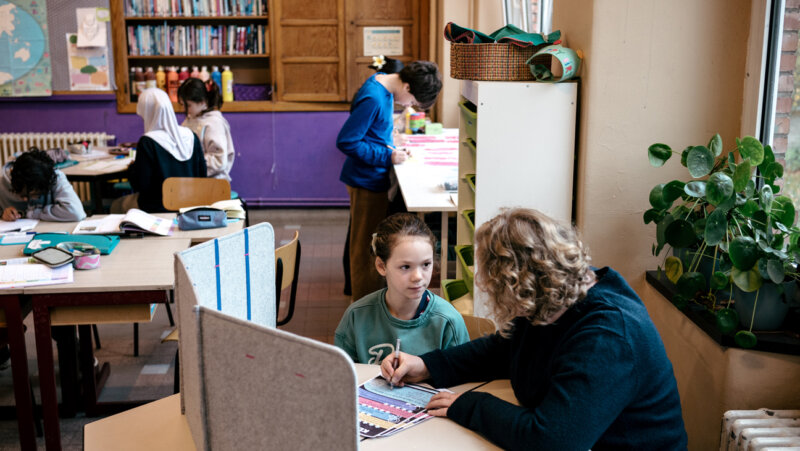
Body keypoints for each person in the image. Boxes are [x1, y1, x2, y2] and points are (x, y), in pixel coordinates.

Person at [381, 208, 688, 450]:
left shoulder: (608, 336)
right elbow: (504, 347)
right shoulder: (559, 290)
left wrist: (470, 406)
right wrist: (428, 365)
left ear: (523, 286)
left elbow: (552, 441)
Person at [337, 61, 442, 301]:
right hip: (365, 181)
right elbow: (347, 141)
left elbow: (372, 133)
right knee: (365, 249)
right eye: (412, 100)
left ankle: (367, 301)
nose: (409, 106)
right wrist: (388, 154)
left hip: (372, 177)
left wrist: (392, 143)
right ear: (406, 86)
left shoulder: (382, 81)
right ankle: (362, 307)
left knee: (367, 243)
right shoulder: (374, 98)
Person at [335, 213, 468, 364]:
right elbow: (342, 377)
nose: (418, 276)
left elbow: (462, 379)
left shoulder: (448, 321)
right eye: (405, 267)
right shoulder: (356, 317)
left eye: (426, 264)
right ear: (381, 266)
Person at [113, 88, 207, 213]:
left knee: (116, 205)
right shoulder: (191, 136)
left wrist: (132, 170)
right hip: (191, 206)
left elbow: (141, 186)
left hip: (157, 208)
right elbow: (202, 175)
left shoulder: (148, 142)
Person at [0, 147, 85, 222]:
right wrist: (2, 215)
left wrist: (32, 213)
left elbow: (75, 212)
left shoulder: (55, 177)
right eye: (21, 193)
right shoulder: (2, 181)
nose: (25, 199)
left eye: (33, 195)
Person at [178, 77, 235, 181]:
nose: (184, 110)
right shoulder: (190, 120)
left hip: (213, 183)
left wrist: (189, 162)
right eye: (183, 105)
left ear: (202, 102)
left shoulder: (213, 123)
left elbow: (219, 160)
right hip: (195, 180)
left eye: (188, 105)